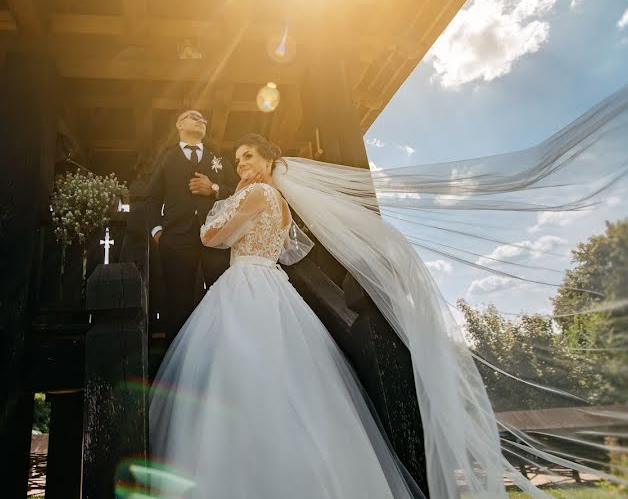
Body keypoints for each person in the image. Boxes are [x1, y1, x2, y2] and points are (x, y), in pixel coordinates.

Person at [148, 134, 427, 498]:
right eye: (237, 159)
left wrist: (227, 199)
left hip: (247, 283)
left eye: (248, 156)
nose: (241, 164)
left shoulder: (257, 194)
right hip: (272, 281)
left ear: (268, 161)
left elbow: (209, 237)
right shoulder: (281, 203)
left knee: (239, 374)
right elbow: (290, 252)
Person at [145, 109, 237, 344]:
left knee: (220, 294)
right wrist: (157, 231)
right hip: (176, 239)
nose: (201, 120)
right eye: (193, 116)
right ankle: (178, 358)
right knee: (178, 302)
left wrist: (214, 188)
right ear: (179, 124)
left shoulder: (218, 159)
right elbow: (152, 197)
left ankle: (219, 349)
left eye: (204, 119)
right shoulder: (166, 157)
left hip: (215, 237)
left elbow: (238, 192)